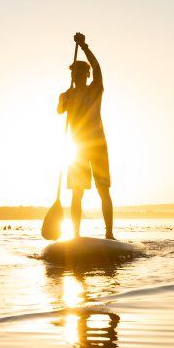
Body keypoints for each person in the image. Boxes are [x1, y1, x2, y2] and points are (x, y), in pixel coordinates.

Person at [58, 33, 115, 238]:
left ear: (87, 76)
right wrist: (62, 100)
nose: (77, 77)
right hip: (77, 150)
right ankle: (75, 236)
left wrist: (84, 46)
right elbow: (59, 110)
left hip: (97, 147)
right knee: (76, 193)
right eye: (75, 74)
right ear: (72, 76)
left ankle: (109, 233)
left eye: (81, 74)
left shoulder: (95, 89)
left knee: (103, 190)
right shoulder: (68, 95)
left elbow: (98, 68)